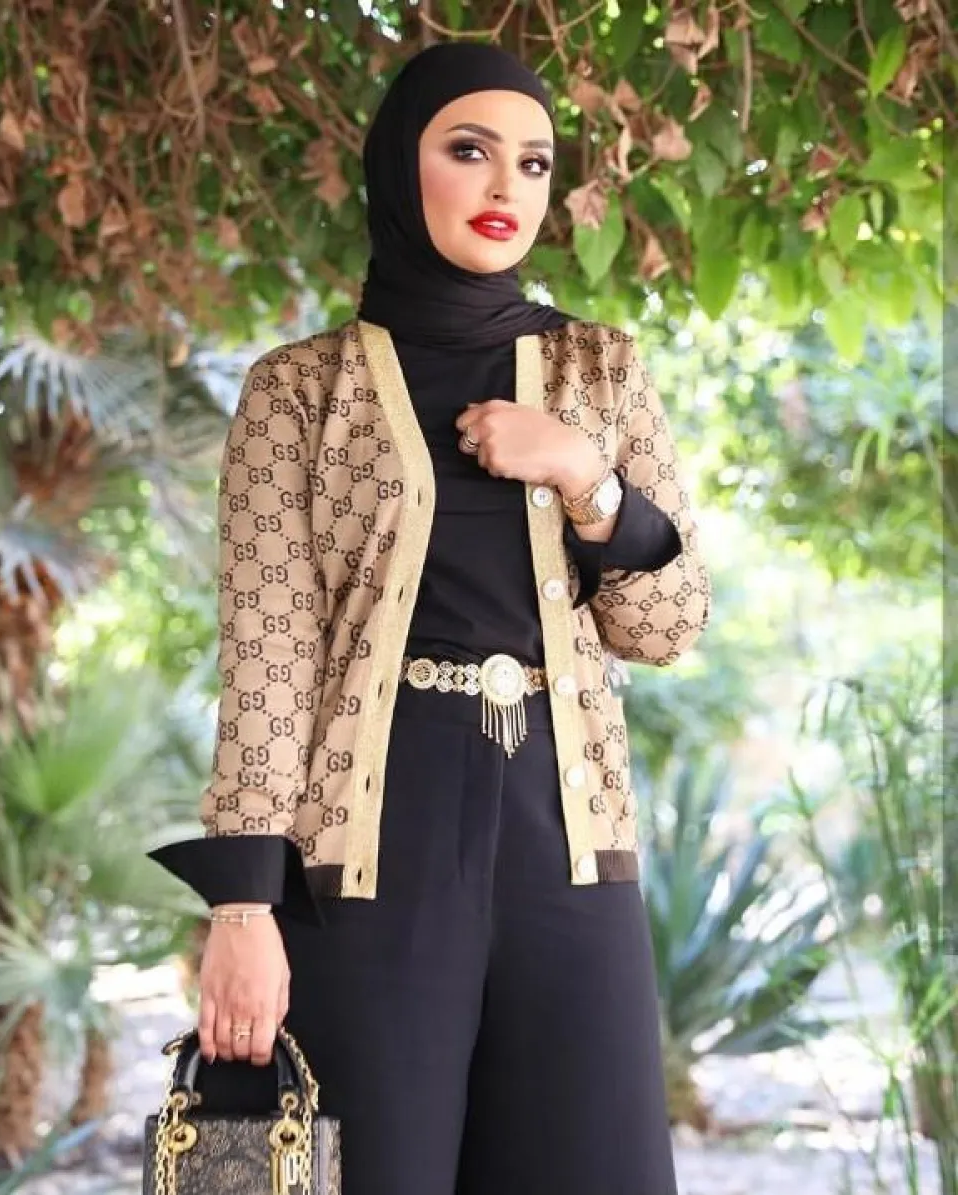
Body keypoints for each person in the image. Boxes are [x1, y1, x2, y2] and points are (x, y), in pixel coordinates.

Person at [149, 40, 712, 1195]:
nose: (508, 186)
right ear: (400, 168)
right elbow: (267, 654)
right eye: (470, 150)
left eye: (534, 162)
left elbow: (667, 626)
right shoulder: (299, 390)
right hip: (368, 857)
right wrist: (243, 906)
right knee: (367, 1168)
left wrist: (585, 478)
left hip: (568, 845)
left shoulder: (602, 371)